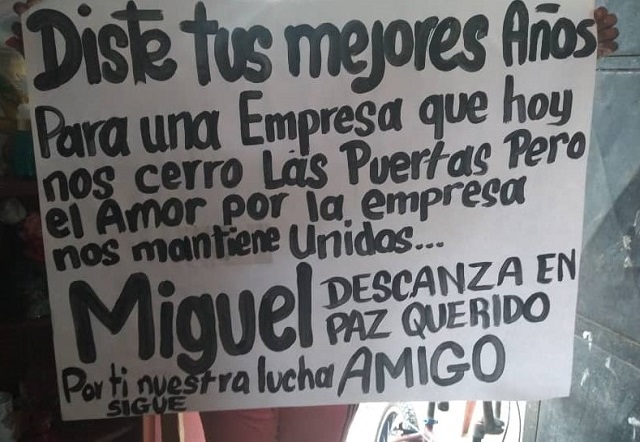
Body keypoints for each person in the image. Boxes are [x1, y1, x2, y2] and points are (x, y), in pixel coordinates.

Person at [200, 6, 619, 442]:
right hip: (234, 320)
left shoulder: (373, 42)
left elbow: (456, 83)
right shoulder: (234, 37)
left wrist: (558, 48)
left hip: (329, 321)